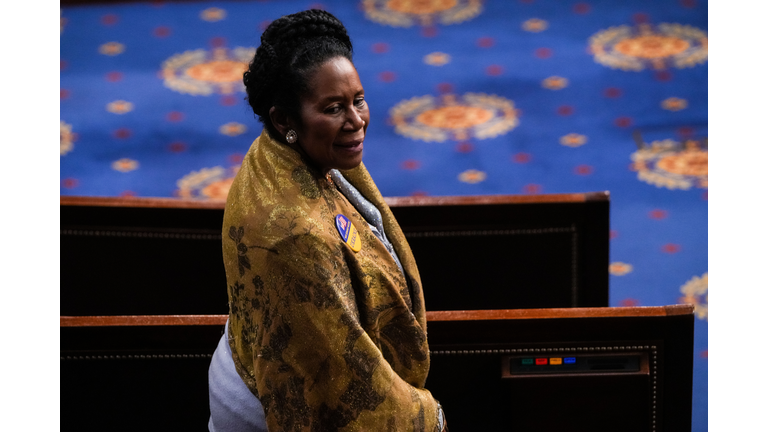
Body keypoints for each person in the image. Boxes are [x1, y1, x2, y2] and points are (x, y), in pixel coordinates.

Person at [208, 9, 447, 432]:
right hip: (261, 410)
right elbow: (347, 393)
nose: (356, 121)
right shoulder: (297, 239)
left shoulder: (280, 153)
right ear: (285, 120)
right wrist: (430, 417)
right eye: (334, 108)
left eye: (358, 100)